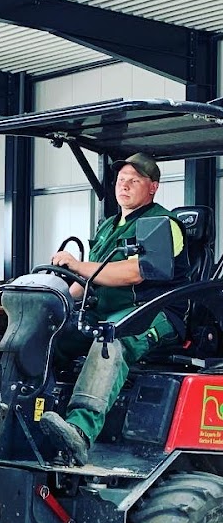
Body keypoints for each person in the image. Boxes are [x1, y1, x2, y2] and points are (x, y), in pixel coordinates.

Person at [40, 152, 186, 465]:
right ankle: (25, 413)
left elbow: (135, 272)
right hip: (105, 310)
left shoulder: (163, 224)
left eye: (135, 180)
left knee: (110, 338)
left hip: (151, 312)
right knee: (50, 336)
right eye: (121, 179)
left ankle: (79, 431)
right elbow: (87, 281)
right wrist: (55, 302)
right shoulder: (109, 226)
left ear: (153, 187)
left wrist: (78, 265)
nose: (125, 185)